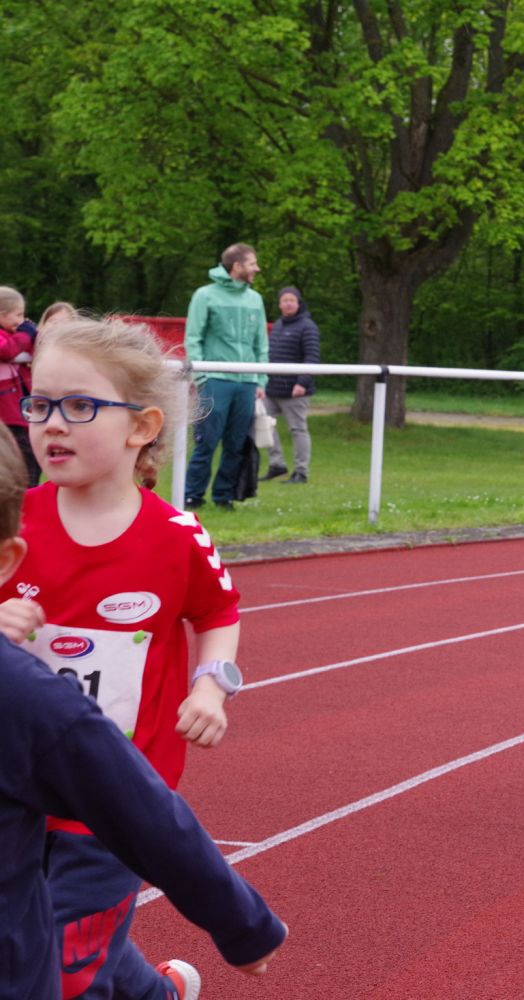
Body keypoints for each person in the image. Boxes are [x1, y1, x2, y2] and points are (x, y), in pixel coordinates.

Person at [3, 317, 249, 998]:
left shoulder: (175, 536)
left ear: (141, 427)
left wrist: (210, 686)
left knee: (65, 967)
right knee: (44, 938)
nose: (52, 424)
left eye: (80, 406)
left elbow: (217, 613)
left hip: (116, 790)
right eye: (40, 404)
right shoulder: (15, 521)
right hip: (21, 784)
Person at [183, 242, 268, 510]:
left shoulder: (255, 299)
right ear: (237, 266)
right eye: (252, 263)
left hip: (247, 381)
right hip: (215, 379)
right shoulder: (204, 295)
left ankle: (224, 496)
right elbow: (193, 338)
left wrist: (261, 379)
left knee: (237, 443)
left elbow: (261, 343)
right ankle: (192, 496)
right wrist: (201, 376)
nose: (257, 268)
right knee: (206, 442)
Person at [260, 286, 321, 484]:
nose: (288, 304)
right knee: (262, 423)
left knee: (297, 429)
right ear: (279, 304)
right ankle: (277, 464)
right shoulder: (278, 325)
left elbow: (312, 357)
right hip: (272, 389)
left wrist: (302, 382)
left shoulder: (307, 327)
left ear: (298, 303)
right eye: (284, 300)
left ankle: (301, 471)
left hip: (295, 390)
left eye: (291, 300)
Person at [0, 286, 40, 486]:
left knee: (33, 459)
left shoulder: (13, 334)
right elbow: (7, 351)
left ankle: (28, 493)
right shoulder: (6, 338)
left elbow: (34, 350)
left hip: (22, 410)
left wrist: (33, 335)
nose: (21, 320)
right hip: (7, 415)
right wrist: (25, 334)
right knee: (22, 460)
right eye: (18, 315)